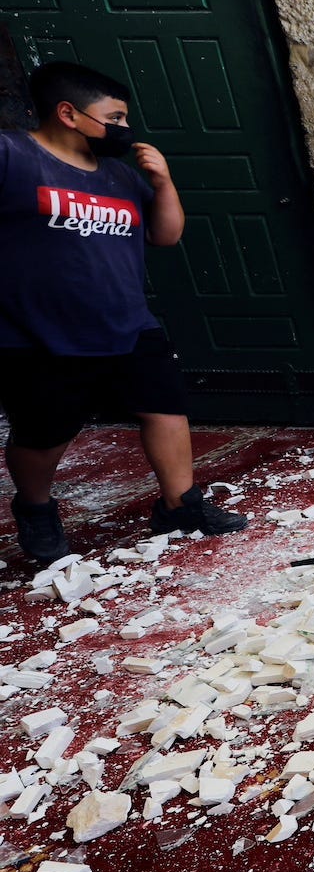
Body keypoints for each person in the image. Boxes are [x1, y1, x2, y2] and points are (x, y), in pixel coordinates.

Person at [0, 61, 248, 564]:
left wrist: (163, 182)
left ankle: (180, 505)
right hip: (39, 332)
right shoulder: (13, 155)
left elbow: (166, 235)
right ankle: (36, 509)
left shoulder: (117, 174)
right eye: (113, 118)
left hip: (129, 321)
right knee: (43, 433)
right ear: (68, 113)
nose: (123, 129)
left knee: (165, 409)